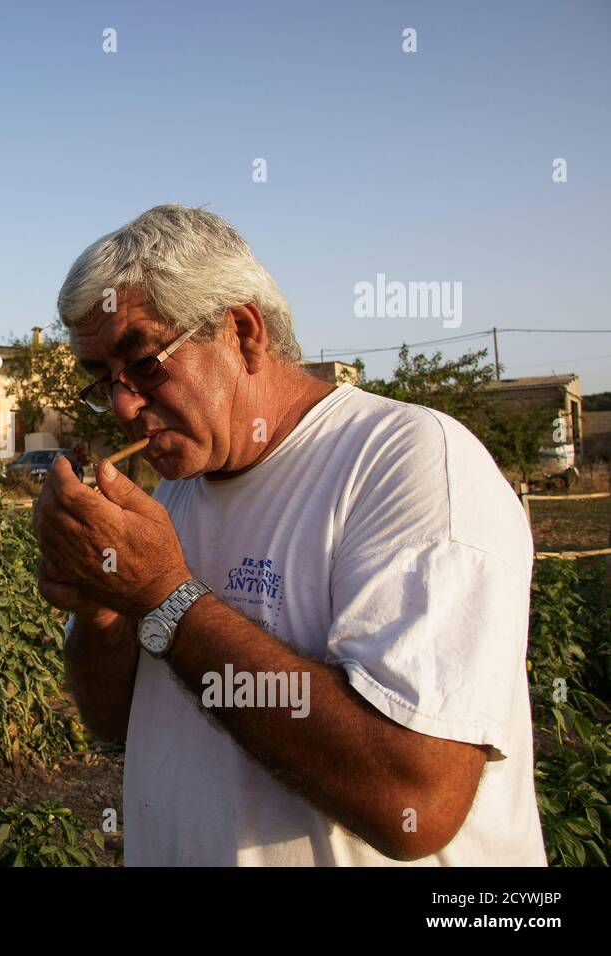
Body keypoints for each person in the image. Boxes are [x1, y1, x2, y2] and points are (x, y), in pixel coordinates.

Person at [33, 204, 545, 866]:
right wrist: (103, 607)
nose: (125, 405)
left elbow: (415, 801)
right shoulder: (178, 489)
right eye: (105, 383)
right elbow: (113, 719)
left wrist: (164, 596)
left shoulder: (409, 464)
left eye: (146, 363)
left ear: (243, 331)